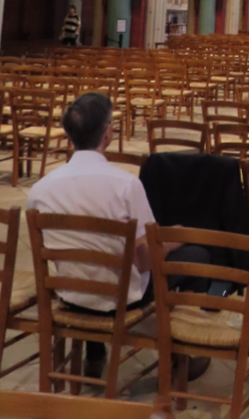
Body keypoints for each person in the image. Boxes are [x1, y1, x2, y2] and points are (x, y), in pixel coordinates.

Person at [27, 93, 211, 381]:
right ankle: (180, 357)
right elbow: (145, 261)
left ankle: (96, 353)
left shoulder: (40, 189)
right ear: (108, 133)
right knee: (197, 258)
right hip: (119, 300)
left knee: (96, 262)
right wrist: (174, 240)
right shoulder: (126, 185)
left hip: (70, 295)